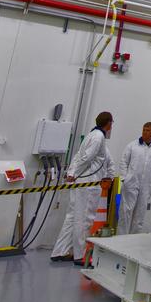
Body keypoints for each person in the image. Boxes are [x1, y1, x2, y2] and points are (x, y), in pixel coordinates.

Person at [50, 111, 115, 264]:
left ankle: (60, 251)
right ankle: (80, 255)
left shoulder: (91, 135)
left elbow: (79, 155)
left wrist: (72, 173)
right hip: (89, 183)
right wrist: (73, 174)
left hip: (81, 182)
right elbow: (86, 158)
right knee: (85, 219)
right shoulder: (98, 137)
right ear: (109, 123)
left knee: (72, 217)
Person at [119, 122, 151, 234]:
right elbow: (124, 161)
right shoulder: (132, 145)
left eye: (148, 130)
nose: (145, 132)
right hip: (131, 183)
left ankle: (134, 239)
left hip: (147, 185)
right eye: (144, 129)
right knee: (126, 211)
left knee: (140, 213)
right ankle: (121, 238)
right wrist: (124, 178)